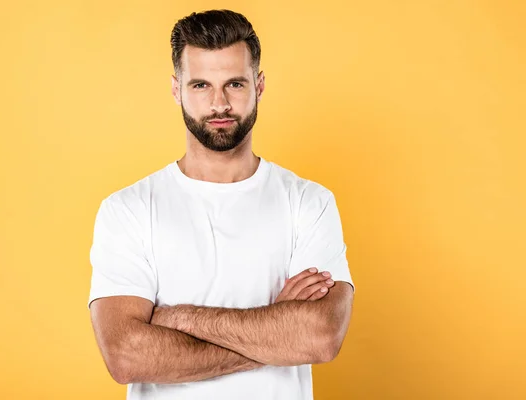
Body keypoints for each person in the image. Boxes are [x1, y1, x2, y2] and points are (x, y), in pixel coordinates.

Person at [87, 9, 355, 400]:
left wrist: (177, 319)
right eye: (200, 85)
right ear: (176, 89)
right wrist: (275, 331)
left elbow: (320, 337)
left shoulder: (308, 202)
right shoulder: (128, 210)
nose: (219, 103)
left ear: (258, 85)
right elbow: (126, 356)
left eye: (234, 83)